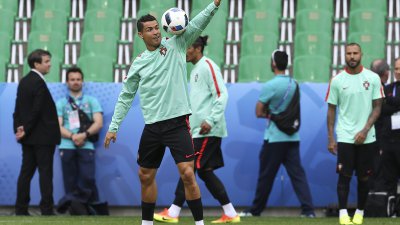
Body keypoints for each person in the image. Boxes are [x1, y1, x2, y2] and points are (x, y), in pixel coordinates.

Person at [103, 1, 222, 225]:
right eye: (149, 29)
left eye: (157, 27)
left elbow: (197, 23)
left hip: (177, 124)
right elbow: (126, 96)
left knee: (188, 174)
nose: (155, 31)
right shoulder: (138, 63)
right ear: (141, 35)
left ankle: (199, 223)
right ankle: (146, 223)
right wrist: (113, 127)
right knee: (145, 176)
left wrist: (214, 5)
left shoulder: (177, 43)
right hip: (153, 127)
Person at [153, 36, 240, 224]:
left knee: (188, 168)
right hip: (200, 130)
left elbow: (222, 94)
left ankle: (174, 211)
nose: (185, 52)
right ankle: (230, 213)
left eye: (188, 48)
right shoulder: (194, 70)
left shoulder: (208, 66)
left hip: (208, 129)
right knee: (203, 172)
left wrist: (210, 119)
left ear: (198, 48)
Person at [239, 50, 315, 218]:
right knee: (298, 176)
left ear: (273, 64)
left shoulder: (270, 86)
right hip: (293, 138)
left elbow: (258, 111)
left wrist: (270, 113)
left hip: (274, 138)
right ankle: (308, 211)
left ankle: (255, 210)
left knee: (266, 176)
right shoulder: (294, 84)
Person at [326, 43, 384, 225]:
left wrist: (365, 130)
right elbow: (331, 110)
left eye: (355, 53)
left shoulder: (373, 78)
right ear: (345, 55)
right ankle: (343, 216)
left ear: (361, 55)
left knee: (365, 178)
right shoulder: (337, 81)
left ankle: (359, 213)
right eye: (349, 53)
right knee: (344, 176)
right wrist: (331, 138)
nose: (352, 56)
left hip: (367, 138)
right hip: (345, 136)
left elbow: (378, 108)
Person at [13, 49, 61, 215]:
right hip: (42, 137)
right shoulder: (38, 82)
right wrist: (25, 129)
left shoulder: (24, 81)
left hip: (28, 137)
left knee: (26, 173)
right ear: (36, 64)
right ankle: (47, 210)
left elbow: (17, 109)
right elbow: (37, 110)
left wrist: (19, 129)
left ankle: (21, 209)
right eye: (46, 61)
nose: (50, 64)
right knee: (45, 174)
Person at [56, 67, 103, 206]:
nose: (75, 82)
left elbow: (99, 123)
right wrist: (72, 136)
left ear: (82, 81)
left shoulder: (92, 101)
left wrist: (84, 135)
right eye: (72, 79)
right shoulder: (61, 103)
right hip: (66, 145)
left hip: (87, 144)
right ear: (67, 82)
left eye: (78, 79)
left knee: (87, 178)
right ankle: (73, 209)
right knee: (69, 180)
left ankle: (90, 208)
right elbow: (57, 126)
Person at [380, 58, 400, 197]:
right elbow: (382, 109)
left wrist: (390, 102)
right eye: (396, 69)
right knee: (389, 179)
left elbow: (389, 104)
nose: (398, 72)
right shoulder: (388, 88)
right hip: (389, 141)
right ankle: (391, 211)